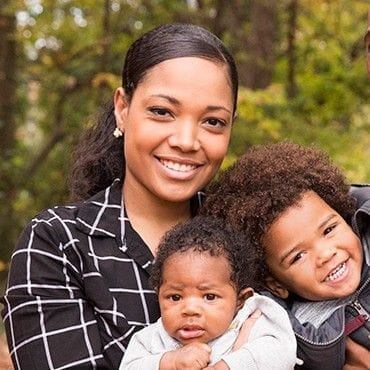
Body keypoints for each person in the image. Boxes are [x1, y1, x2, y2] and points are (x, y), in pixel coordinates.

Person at [1, 23, 241, 369]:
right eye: (162, 112)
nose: (187, 140)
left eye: (213, 122)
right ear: (123, 108)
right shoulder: (58, 243)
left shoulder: (245, 236)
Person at [201, 142, 370, 370]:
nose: (326, 254)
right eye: (298, 256)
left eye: (329, 230)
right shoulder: (291, 336)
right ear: (276, 284)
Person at [119, 216, 298, 370]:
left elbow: (281, 352)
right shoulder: (151, 339)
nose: (190, 309)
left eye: (209, 297)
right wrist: (170, 362)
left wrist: (226, 366)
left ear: (240, 300)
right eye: (175, 297)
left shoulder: (252, 318)